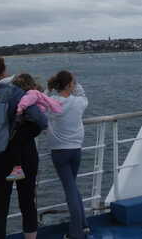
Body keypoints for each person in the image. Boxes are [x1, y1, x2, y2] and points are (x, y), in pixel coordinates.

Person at [0, 58, 47, 239]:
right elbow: (40, 119)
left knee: (0, 208)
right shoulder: (14, 92)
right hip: (23, 155)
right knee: (27, 202)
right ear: (3, 72)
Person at [47, 70, 90, 239]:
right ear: (69, 85)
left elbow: (40, 103)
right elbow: (82, 94)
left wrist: (49, 88)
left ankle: (76, 232)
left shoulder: (52, 102)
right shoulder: (79, 102)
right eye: (72, 82)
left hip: (59, 151)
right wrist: (75, 83)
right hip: (75, 150)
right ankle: (83, 225)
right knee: (73, 187)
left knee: (70, 189)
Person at [6, 73, 63, 182]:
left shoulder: (30, 94)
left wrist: (19, 109)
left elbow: (26, 102)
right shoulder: (36, 93)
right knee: (19, 141)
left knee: (14, 141)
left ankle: (17, 169)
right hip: (35, 125)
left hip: (33, 124)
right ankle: (18, 168)